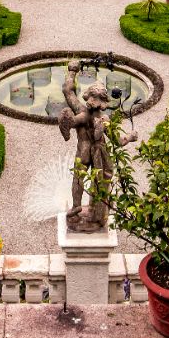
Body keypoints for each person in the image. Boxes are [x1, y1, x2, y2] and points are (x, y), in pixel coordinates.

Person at [59, 60, 135, 232]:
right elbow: (118, 142)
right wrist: (131, 137)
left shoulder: (80, 110)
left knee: (78, 177)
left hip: (83, 150)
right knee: (99, 182)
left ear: (89, 97)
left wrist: (72, 71)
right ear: (104, 101)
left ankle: (76, 207)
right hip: (100, 153)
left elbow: (67, 90)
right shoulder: (104, 120)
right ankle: (96, 213)